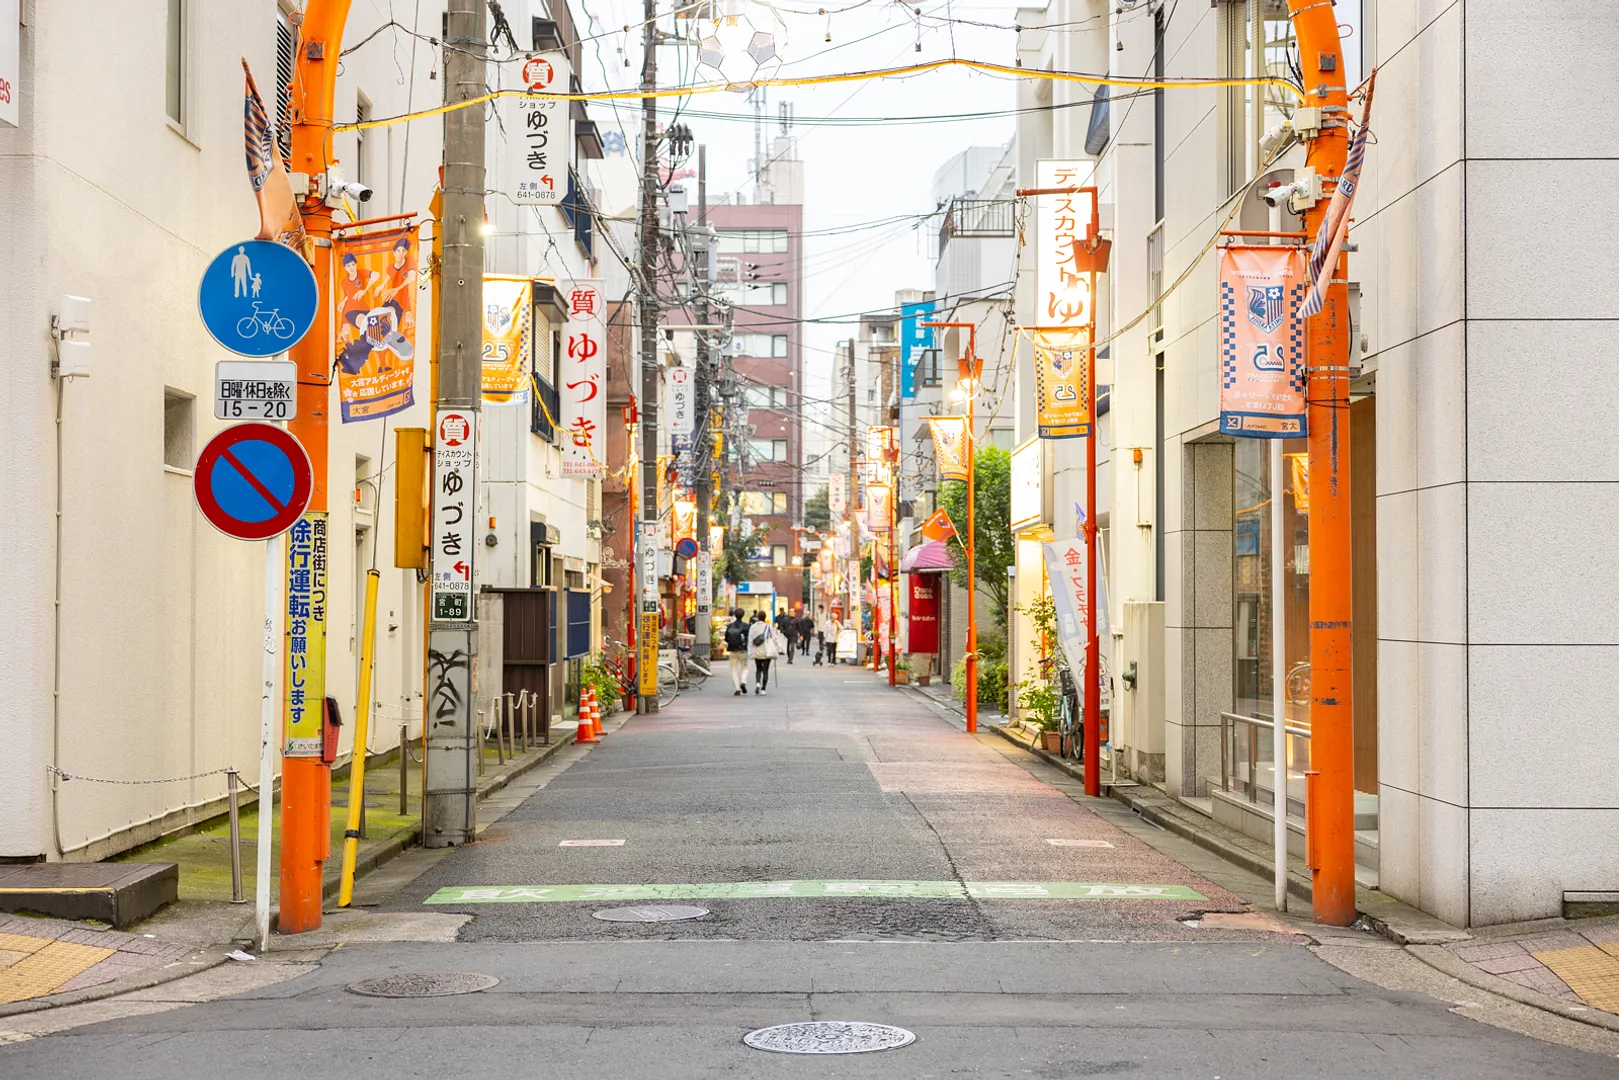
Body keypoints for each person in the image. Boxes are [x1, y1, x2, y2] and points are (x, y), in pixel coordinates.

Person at [748, 611, 777, 695]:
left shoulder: (753, 627)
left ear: (758, 617)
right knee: (765, 670)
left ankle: (757, 683)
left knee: (758, 669)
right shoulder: (768, 627)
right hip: (766, 651)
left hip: (757, 651)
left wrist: (750, 652)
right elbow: (773, 638)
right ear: (765, 617)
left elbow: (750, 640)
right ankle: (763, 689)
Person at [724, 608, 751, 695]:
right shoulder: (746, 626)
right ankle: (743, 681)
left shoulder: (729, 626)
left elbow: (726, 638)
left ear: (734, 615)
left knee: (733, 669)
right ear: (743, 615)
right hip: (743, 649)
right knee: (745, 667)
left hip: (732, 650)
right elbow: (749, 638)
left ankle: (737, 688)